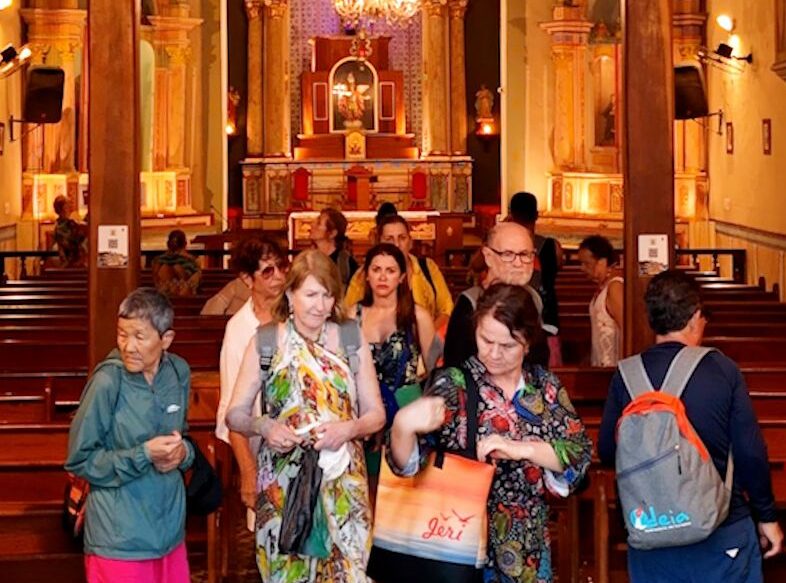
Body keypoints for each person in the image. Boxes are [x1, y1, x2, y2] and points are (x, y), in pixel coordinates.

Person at [387, 283, 592, 583]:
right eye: (485, 340)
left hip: (528, 547)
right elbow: (409, 465)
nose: (494, 353)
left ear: (528, 342)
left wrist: (524, 449)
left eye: (507, 345)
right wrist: (402, 427)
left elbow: (578, 455)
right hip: (457, 540)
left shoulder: (545, 387)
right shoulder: (453, 384)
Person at [598, 270, 783, 582]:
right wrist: (766, 516)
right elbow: (750, 452)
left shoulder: (626, 375)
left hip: (650, 532)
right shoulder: (722, 369)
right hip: (720, 529)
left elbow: (606, 451)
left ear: (650, 319)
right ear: (695, 317)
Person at [226, 249, 385, 583]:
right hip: (284, 486)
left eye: (328, 295)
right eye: (311, 294)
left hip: (341, 481)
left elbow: (376, 415)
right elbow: (235, 414)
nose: (320, 305)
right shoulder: (267, 341)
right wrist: (265, 426)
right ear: (290, 293)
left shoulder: (350, 338)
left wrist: (349, 428)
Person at [65, 288, 195, 583]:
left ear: (166, 339)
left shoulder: (178, 372)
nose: (128, 346)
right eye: (123, 334)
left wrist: (184, 453)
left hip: (169, 533)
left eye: (140, 336)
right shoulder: (107, 381)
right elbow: (79, 460)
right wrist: (143, 454)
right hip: (119, 537)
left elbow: (184, 437)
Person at [214, 237, 288, 528]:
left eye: (281, 267)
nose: (279, 276)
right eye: (267, 271)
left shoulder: (301, 311)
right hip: (262, 447)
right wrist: (248, 470)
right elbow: (231, 408)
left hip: (305, 443)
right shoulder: (239, 329)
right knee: (270, 539)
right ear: (247, 279)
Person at [444, 221, 548, 368]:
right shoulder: (470, 302)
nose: (518, 263)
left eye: (525, 254)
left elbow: (539, 359)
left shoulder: (534, 298)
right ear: (488, 256)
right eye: (508, 254)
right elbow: (455, 366)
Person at [344, 214, 454, 331]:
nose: (397, 244)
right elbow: (348, 317)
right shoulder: (363, 275)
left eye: (402, 238)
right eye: (389, 239)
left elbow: (446, 309)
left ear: (410, 242)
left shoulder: (427, 267)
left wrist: (427, 335)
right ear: (379, 242)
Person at [507, 192, 564, 339]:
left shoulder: (503, 248)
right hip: (546, 316)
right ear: (536, 215)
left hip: (512, 315)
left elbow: (476, 265)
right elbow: (557, 267)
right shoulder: (553, 246)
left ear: (511, 215)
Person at [578, 235, 622, 366]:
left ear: (602, 262)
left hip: (612, 366)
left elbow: (626, 329)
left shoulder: (615, 287)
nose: (582, 268)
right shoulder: (603, 287)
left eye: (587, 263)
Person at [311, 207, 358, 290]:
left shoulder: (345, 263)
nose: (312, 225)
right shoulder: (309, 257)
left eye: (318, 223)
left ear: (332, 233)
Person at [152, 229, 202, 297]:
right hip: (186, 300)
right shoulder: (192, 261)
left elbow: (156, 282)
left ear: (168, 244)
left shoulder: (157, 261)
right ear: (185, 244)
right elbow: (196, 283)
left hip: (163, 299)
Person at [53, 194, 87, 267]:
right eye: (68, 204)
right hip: (73, 262)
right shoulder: (68, 225)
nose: (70, 207)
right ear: (64, 208)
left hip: (69, 262)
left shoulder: (60, 224)